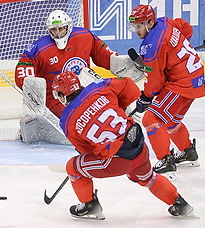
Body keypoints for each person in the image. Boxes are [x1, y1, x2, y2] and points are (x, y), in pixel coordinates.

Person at [51, 71, 194, 219]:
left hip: (115, 161)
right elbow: (128, 84)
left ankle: (89, 205)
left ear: (62, 94)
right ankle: (179, 203)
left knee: (73, 167)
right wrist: (117, 107)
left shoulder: (66, 121)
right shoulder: (98, 87)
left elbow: (86, 150)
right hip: (138, 146)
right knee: (148, 178)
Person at [15, 10, 143, 144]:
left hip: (85, 86)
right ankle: (37, 126)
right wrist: (31, 86)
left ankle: (124, 121)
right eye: (54, 30)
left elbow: (105, 56)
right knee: (74, 128)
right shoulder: (39, 48)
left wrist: (122, 64)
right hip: (57, 97)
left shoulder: (84, 36)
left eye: (61, 29)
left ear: (68, 27)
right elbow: (23, 68)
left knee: (108, 96)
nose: (58, 33)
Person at [128, 5, 205, 177]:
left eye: (139, 25)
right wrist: (178, 49)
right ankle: (188, 152)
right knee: (169, 120)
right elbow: (185, 27)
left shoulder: (150, 46)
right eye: (135, 26)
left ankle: (166, 160)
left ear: (150, 22)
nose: (136, 30)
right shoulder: (165, 22)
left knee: (151, 118)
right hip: (196, 78)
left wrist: (145, 97)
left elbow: (156, 82)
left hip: (182, 83)